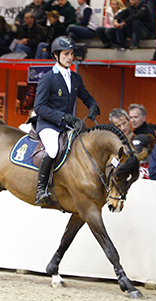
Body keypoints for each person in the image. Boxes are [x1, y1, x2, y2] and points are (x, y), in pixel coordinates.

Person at [32, 36, 100, 205]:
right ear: (56, 56)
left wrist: (93, 106)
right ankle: (41, 189)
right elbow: (39, 107)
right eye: (66, 54)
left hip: (67, 124)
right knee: (53, 149)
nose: (70, 57)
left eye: (72, 54)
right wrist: (62, 116)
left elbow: (86, 96)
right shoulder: (47, 78)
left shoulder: (76, 78)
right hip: (48, 124)